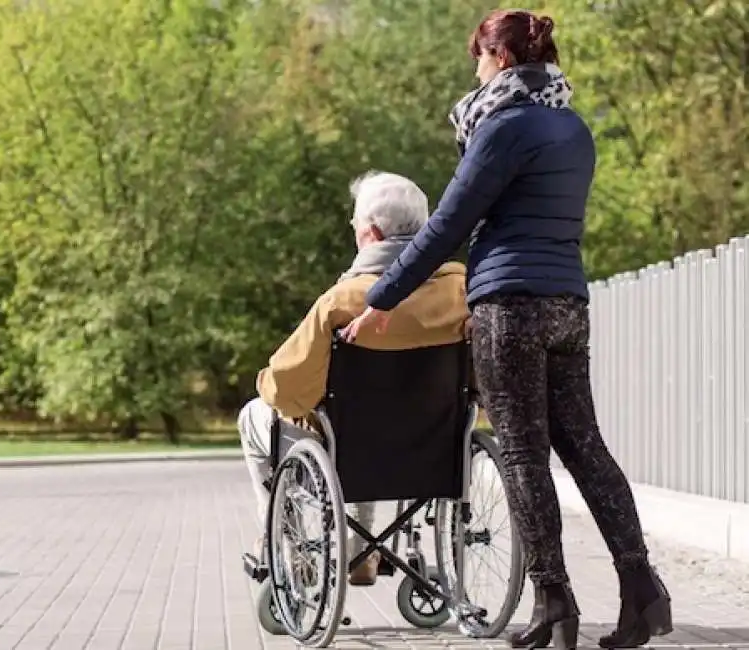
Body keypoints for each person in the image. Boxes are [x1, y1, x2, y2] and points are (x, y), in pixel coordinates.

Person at [340, 9, 672, 649]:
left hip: (509, 309)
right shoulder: (574, 129)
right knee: (587, 450)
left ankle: (553, 602)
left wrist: (382, 298)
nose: (474, 70)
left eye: (478, 58)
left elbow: (446, 225)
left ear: (497, 60)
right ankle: (643, 592)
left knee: (523, 455)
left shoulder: (503, 127)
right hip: (568, 305)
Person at [237, 171, 470, 586]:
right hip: (434, 448)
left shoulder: (344, 302)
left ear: (371, 233)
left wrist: (266, 383)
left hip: (352, 448)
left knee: (257, 415)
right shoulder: (463, 292)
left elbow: (288, 388)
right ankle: (362, 552)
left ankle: (285, 546)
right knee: (361, 428)